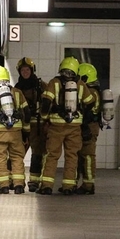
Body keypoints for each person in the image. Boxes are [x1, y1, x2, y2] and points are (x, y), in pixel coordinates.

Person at [36, 56, 96, 195]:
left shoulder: (54, 82)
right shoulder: (80, 84)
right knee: (72, 156)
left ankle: (46, 186)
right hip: (74, 126)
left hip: (56, 126)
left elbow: (46, 102)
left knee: (52, 155)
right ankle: (69, 186)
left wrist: (45, 118)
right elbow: (90, 102)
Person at [0, 66, 31, 194]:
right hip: (15, 132)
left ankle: (3, 186)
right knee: (17, 158)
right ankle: (19, 186)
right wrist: (26, 133)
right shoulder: (17, 92)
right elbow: (26, 113)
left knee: (0, 159)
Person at [14, 57, 47, 191]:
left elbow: (48, 104)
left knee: (37, 153)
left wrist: (47, 122)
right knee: (17, 153)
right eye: (23, 70)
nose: (25, 72)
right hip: (21, 126)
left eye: (27, 69)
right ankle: (15, 180)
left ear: (32, 70)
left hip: (38, 125)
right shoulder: (16, 88)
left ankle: (34, 181)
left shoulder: (41, 86)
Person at [75, 63, 102, 195]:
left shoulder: (91, 92)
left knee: (88, 156)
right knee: (80, 155)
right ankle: (81, 183)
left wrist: (84, 126)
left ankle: (88, 185)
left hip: (89, 127)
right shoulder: (93, 90)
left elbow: (88, 112)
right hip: (86, 126)